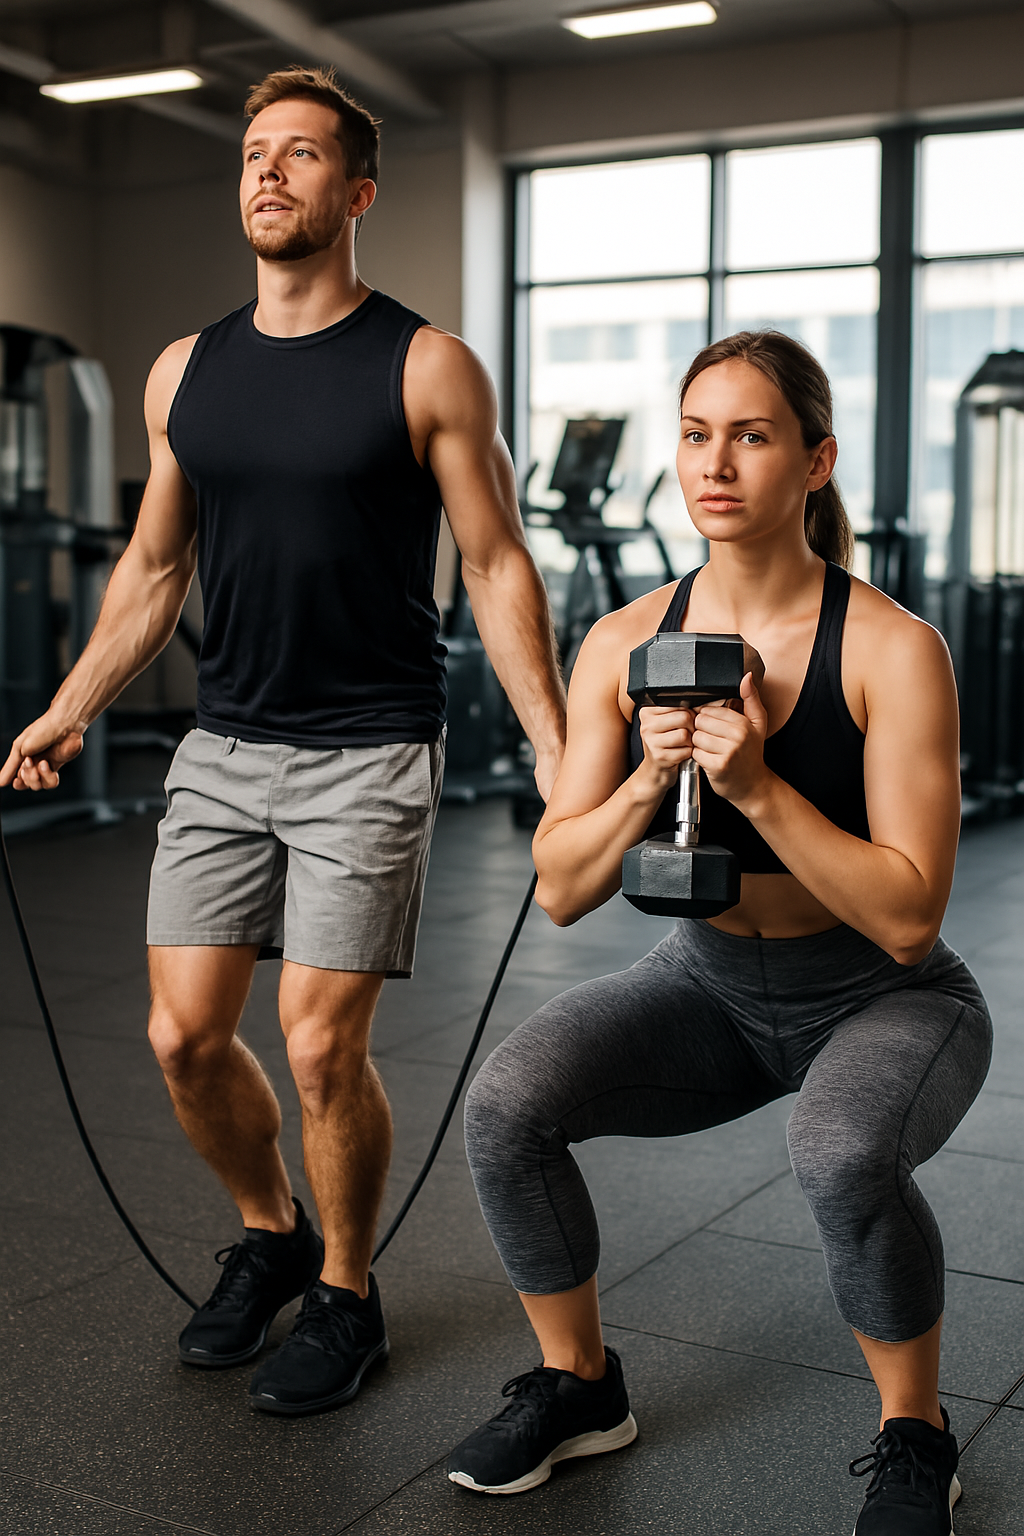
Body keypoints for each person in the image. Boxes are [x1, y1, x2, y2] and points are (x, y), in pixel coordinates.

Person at [0, 66, 565, 1417]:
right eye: (256, 153)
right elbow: (151, 569)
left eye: (302, 155)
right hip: (226, 746)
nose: (269, 172)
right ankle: (271, 1230)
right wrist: (69, 706)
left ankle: (348, 1294)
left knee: (318, 1045)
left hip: (370, 747)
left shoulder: (423, 362)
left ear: (355, 192)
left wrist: (554, 749)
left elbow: (493, 564)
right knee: (184, 1038)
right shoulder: (186, 372)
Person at [446, 330, 991, 1535]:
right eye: (696, 435)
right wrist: (647, 783)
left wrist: (751, 784)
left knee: (842, 1148)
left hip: (885, 998)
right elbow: (558, 885)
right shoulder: (619, 645)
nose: (716, 462)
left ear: (815, 461)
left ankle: (917, 1434)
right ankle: (580, 1388)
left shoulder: (894, 651)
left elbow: (908, 918)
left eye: (752, 434)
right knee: (506, 1105)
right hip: (707, 988)